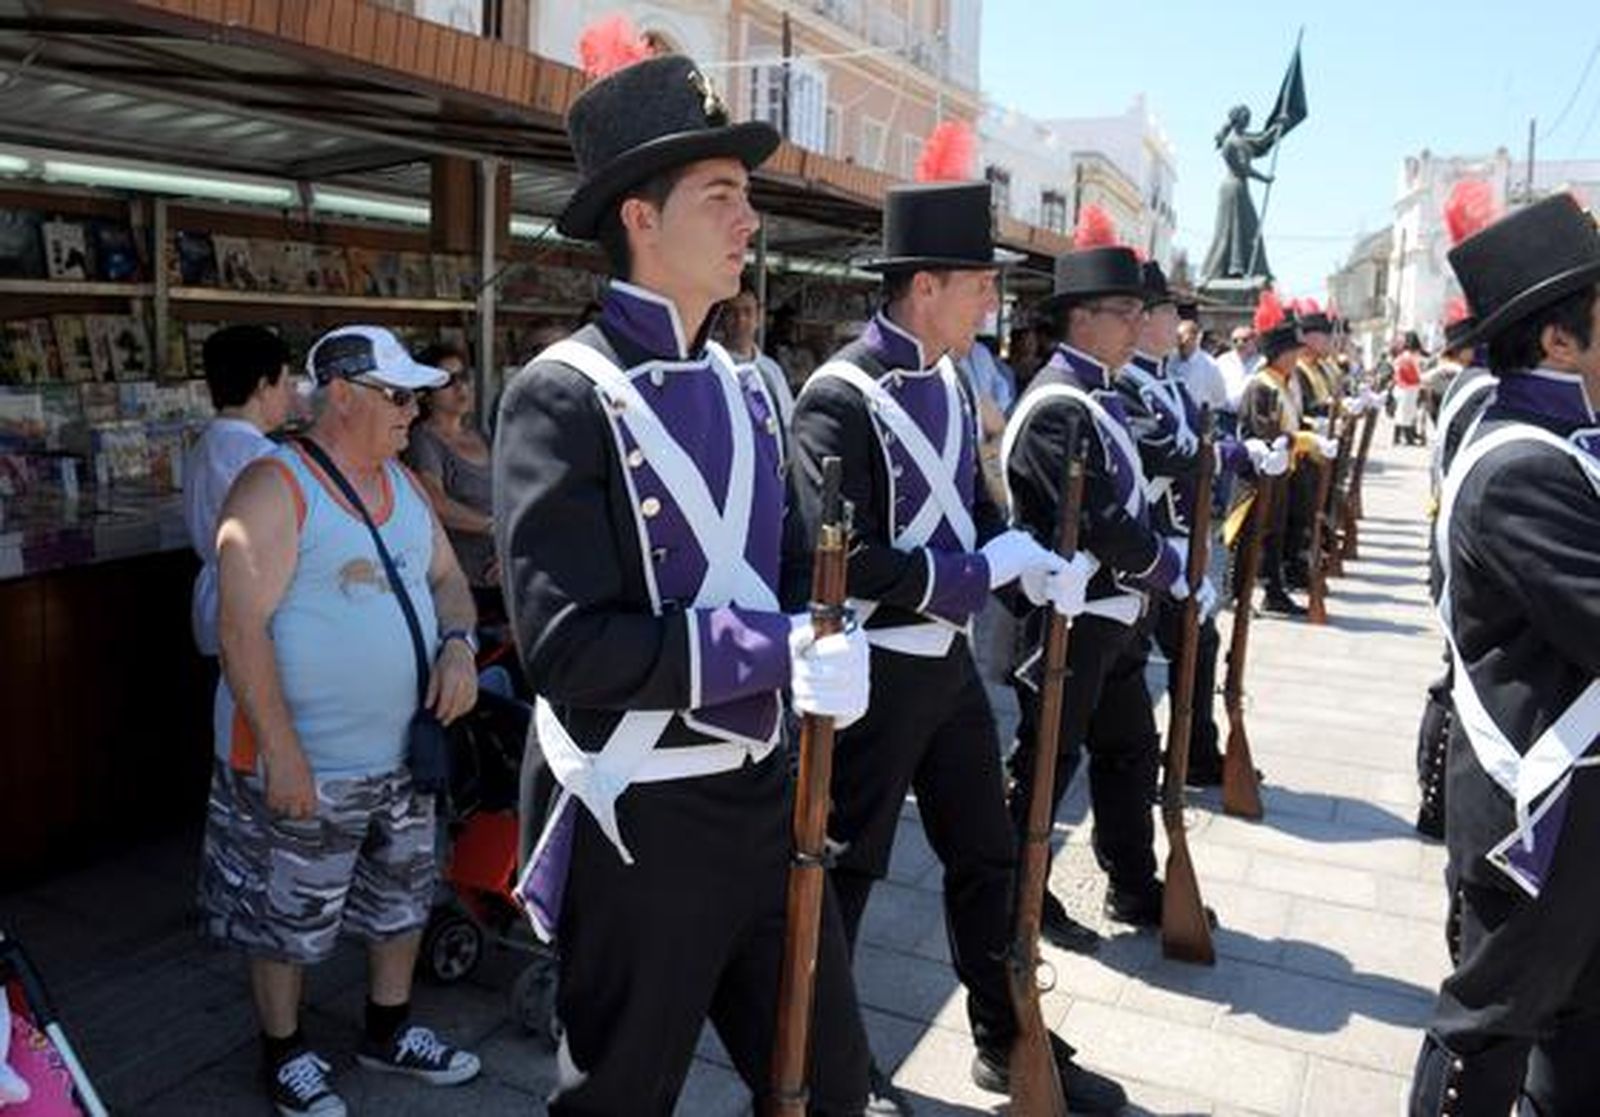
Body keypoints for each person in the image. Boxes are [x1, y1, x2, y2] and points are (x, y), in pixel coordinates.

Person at [493, 40, 873, 1116]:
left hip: (764, 795)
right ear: (639, 217)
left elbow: (799, 572)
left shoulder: (755, 387)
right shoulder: (560, 395)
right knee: (618, 1100)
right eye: (721, 196)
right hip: (642, 821)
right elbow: (566, 647)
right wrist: (776, 649)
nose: (748, 221)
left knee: (828, 1086)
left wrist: (831, 642)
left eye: (746, 197)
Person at [791, 174, 1121, 1114]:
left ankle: (1002, 1036)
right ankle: (825, 1062)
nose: (995, 301)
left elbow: (974, 505)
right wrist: (973, 576)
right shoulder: (838, 396)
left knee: (990, 851)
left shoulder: (948, 379)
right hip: (874, 669)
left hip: (943, 667)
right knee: (842, 871)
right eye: (981, 282)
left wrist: (1014, 556)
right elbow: (834, 554)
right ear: (924, 285)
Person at [200, 324, 482, 1117]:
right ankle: (283, 1049)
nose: (414, 411)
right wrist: (282, 752)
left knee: (402, 898)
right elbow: (240, 629)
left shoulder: (407, 487)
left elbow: (449, 584)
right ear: (345, 396)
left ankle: (387, 1028)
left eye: (417, 396)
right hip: (304, 761)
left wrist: (457, 645)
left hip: (402, 757)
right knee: (283, 914)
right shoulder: (273, 485)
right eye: (399, 395)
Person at [1408, 193, 1600, 1116]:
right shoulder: (1526, 466)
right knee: (1492, 1023)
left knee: (1579, 1017)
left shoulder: (1565, 447)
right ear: (1559, 344)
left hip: (1577, 804)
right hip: (1546, 812)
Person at [1003, 242, 1200, 949]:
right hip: (1068, 621)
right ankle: (1018, 892)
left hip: (1112, 616)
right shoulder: (1058, 404)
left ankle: (1131, 881)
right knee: (1047, 764)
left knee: (1128, 752)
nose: (1136, 324)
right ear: (1082, 319)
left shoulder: (1099, 394)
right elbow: (1096, 521)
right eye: (1125, 312)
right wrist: (1165, 563)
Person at [1114, 261, 1287, 787]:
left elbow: (1198, 441)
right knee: (1141, 661)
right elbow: (1174, 454)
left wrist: (1241, 452)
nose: (1179, 323)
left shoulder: (1167, 382)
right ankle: (1161, 759)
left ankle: (1192, 751)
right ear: (1143, 320)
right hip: (1147, 548)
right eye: (1169, 313)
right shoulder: (1129, 384)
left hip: (1181, 543)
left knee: (1198, 645)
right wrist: (1239, 455)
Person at [183, 325, 297, 657]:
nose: (289, 395)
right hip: (259, 611)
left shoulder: (202, 446)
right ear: (263, 386)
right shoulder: (266, 459)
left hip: (213, 605)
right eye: (285, 383)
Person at [1236, 293, 1337, 616]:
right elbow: (1265, 432)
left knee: (1276, 533)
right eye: (1292, 352)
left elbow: (1291, 420)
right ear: (1278, 354)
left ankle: (1274, 589)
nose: (1296, 357)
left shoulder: (1285, 381)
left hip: (1284, 470)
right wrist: (1304, 439)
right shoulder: (1261, 385)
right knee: (1252, 534)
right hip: (1259, 472)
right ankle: (1237, 593)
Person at [404, 343, 500, 621]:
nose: (461, 389)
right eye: (447, 382)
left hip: (502, 572)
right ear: (426, 395)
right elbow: (435, 502)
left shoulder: (481, 435)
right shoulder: (424, 440)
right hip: (462, 582)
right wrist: (495, 528)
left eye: (464, 378)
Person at [717, 276, 796, 430]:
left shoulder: (771, 371)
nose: (741, 319)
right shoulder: (713, 367)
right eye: (732, 312)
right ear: (721, 317)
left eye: (748, 311)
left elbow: (786, 423)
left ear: (759, 317)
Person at [1215, 324, 1260, 413]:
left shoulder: (1262, 363)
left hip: (1250, 418)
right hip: (1225, 417)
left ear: (1254, 340)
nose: (1240, 344)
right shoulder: (1222, 361)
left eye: (1245, 340)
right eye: (1235, 341)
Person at [1393, 331, 1425, 445]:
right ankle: (1408, 438)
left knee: (1401, 412)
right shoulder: (1414, 355)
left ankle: (1397, 437)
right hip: (1411, 386)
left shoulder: (1402, 355)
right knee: (1408, 412)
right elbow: (1417, 372)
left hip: (1401, 385)